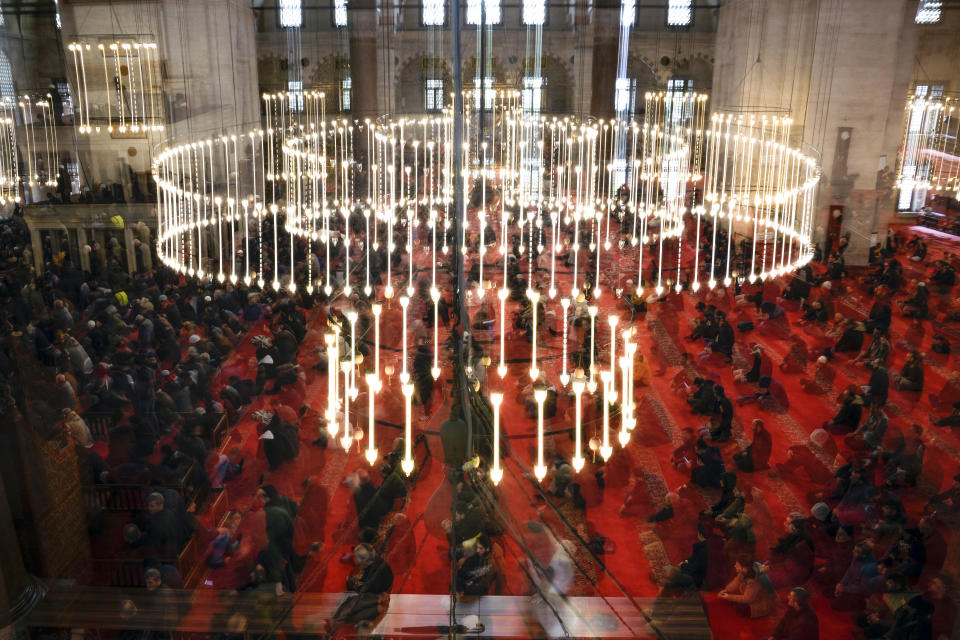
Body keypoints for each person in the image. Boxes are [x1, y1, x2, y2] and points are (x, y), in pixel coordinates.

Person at [331, 543, 394, 626]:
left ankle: (339, 620)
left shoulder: (374, 572)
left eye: (355, 557)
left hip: (376, 598)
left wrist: (356, 586)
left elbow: (366, 590)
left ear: (366, 560)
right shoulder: (374, 561)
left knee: (349, 604)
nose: (354, 559)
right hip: (376, 593)